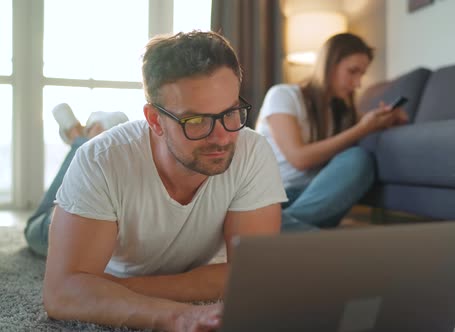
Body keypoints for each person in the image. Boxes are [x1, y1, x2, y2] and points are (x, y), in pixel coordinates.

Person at [41, 31, 287, 332]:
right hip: (86, 225)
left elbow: (251, 276)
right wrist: (180, 315)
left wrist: (120, 287)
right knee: (45, 219)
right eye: (196, 121)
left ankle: (88, 131)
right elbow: (61, 292)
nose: (222, 137)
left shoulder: (251, 151)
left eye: (231, 113)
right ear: (155, 120)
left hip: (120, 248)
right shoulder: (100, 161)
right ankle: (81, 137)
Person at [256, 33, 408, 231]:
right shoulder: (282, 95)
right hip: (277, 196)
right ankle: (291, 230)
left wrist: (389, 120)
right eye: (352, 72)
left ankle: (282, 228)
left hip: (317, 196)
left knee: (358, 159)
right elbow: (299, 158)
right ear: (329, 64)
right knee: (356, 156)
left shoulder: (340, 110)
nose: (358, 83)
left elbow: (367, 124)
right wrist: (361, 129)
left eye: (362, 74)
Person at [25, 103, 129, 256]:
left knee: (35, 227)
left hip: (79, 230)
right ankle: (91, 140)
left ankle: (82, 140)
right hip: (110, 228)